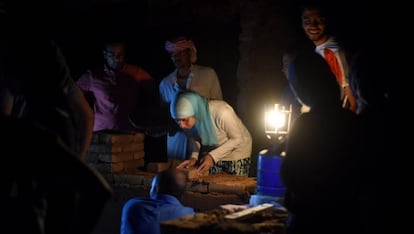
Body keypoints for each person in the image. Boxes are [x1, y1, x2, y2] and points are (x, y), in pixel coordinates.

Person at [280, 51, 364, 234]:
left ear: (304, 87)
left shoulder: (306, 123)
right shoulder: (353, 121)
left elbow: (290, 172)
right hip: (347, 217)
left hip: (311, 218)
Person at [0, 3, 94, 159]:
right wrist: (78, 160)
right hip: (55, 151)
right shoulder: (47, 56)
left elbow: (4, 114)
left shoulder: (13, 60)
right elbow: (86, 115)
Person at [159, 36, 223, 163]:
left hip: (203, 139)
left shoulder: (207, 74)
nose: (176, 57)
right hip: (177, 141)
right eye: (173, 54)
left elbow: (218, 106)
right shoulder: (165, 83)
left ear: (189, 53)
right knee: (177, 175)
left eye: (180, 53)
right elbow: (165, 115)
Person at [76, 41, 158, 133]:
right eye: (112, 54)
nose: (117, 58)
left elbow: (157, 92)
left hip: (128, 131)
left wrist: (147, 116)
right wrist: (85, 114)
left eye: (120, 54)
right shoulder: (93, 76)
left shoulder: (136, 73)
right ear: (105, 54)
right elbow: (73, 95)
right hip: (101, 131)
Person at [172, 91, 252, 177]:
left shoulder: (223, 112)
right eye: (177, 120)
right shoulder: (188, 120)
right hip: (212, 151)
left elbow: (237, 139)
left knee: (234, 185)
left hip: (237, 151)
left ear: (195, 111)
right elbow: (195, 139)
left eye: (184, 120)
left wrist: (212, 157)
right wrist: (193, 158)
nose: (182, 125)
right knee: (206, 180)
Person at [300, 3, 358, 113]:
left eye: (319, 20)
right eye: (307, 21)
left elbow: (349, 90)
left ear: (326, 21)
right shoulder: (315, 49)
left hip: (328, 116)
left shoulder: (333, 51)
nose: (313, 25)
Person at [120, 168, 195, 234]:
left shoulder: (132, 206)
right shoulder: (189, 215)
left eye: (152, 186)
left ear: (156, 189)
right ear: (182, 195)